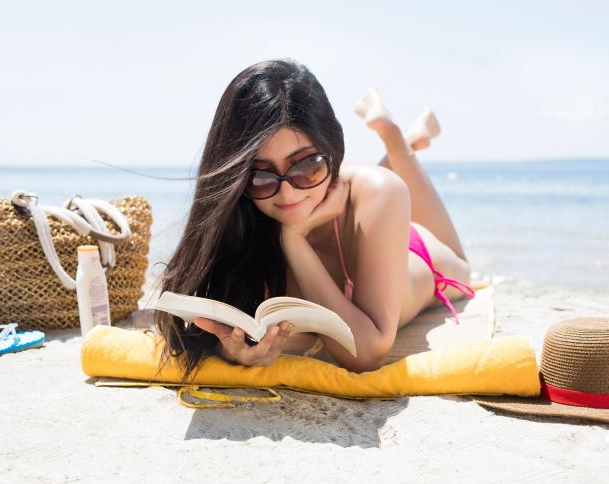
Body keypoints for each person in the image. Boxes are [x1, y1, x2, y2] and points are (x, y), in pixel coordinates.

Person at [155, 59, 474, 378]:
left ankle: (393, 136)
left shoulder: (379, 190)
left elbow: (364, 353)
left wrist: (293, 239)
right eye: (261, 175)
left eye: (308, 166)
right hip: (358, 214)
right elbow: (197, 328)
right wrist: (231, 349)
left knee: (457, 257)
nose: (287, 195)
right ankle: (407, 139)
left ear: (334, 149)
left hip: (423, 257)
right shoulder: (245, 212)